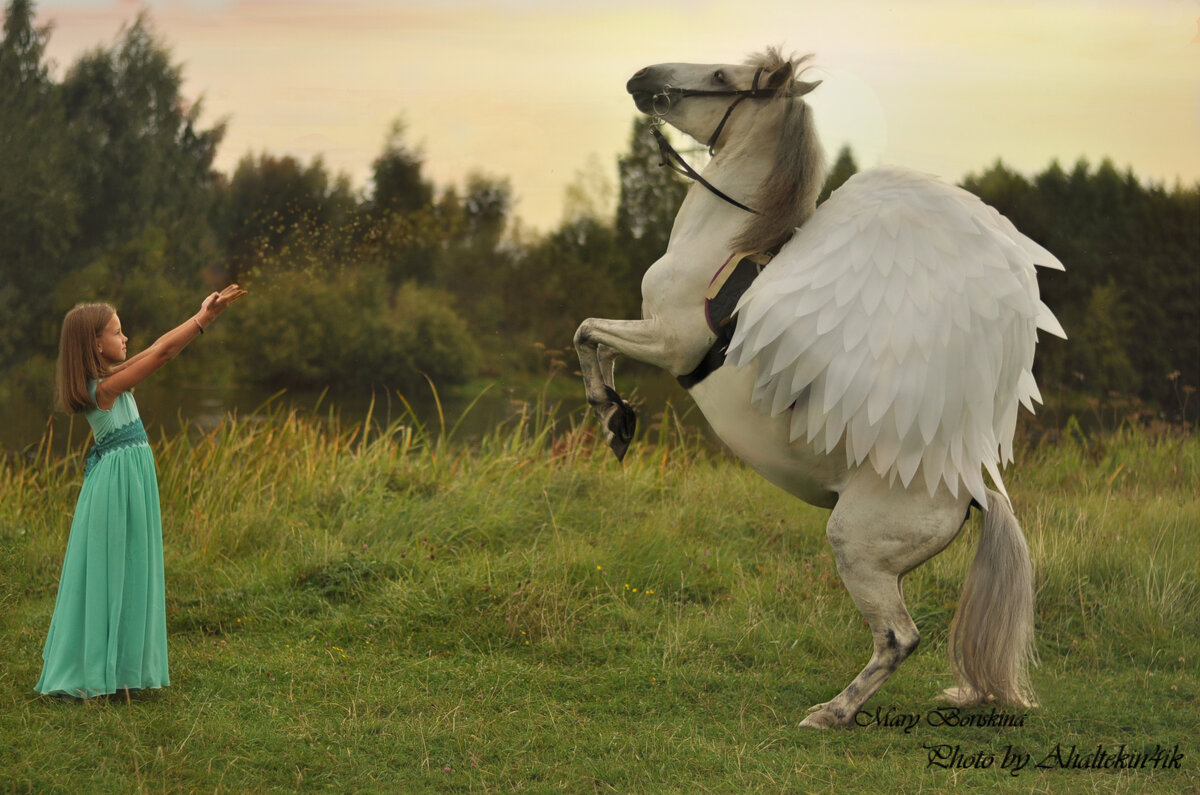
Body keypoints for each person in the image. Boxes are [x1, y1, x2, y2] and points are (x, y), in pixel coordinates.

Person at [36, 285, 247, 699]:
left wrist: (200, 314)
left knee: (129, 566)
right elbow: (162, 355)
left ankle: (120, 669)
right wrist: (203, 321)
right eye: (117, 333)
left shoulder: (110, 378)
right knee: (114, 569)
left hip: (126, 481)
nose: (125, 338)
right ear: (95, 345)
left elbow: (157, 346)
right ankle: (100, 671)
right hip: (116, 487)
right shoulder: (105, 389)